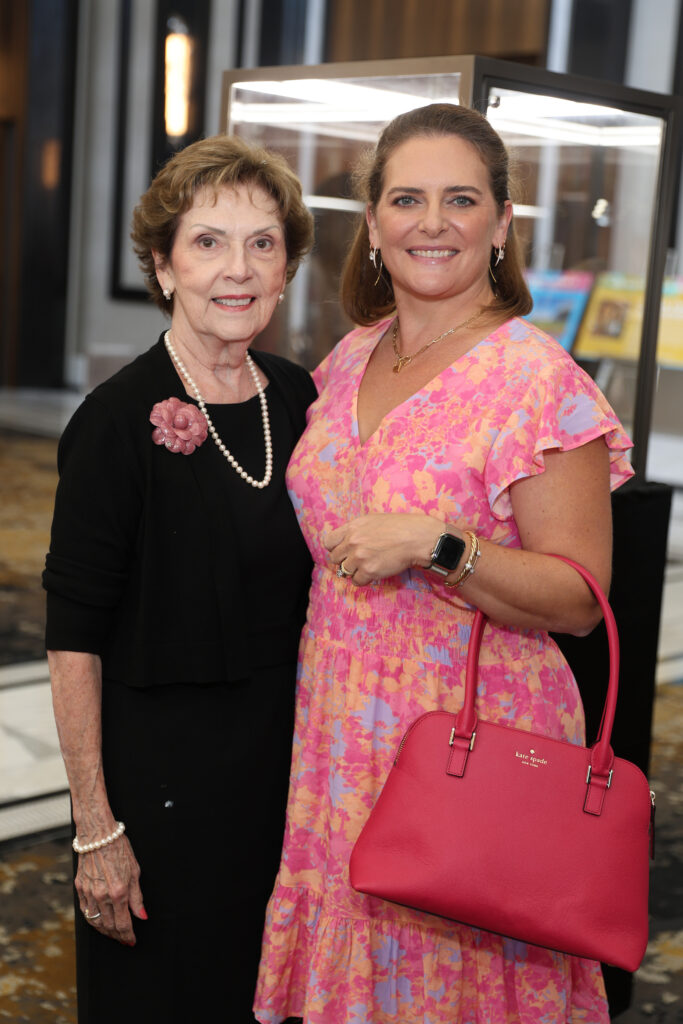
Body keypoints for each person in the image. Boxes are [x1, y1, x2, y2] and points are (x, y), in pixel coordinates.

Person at [254, 103, 634, 1024]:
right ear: (374, 224)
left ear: (501, 224)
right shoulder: (348, 358)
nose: (431, 222)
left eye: (459, 200)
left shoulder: (537, 383)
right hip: (340, 727)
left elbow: (580, 601)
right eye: (406, 200)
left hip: (473, 730)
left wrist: (441, 545)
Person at [43, 135, 315, 1023]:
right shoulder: (118, 419)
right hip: (161, 791)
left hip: (284, 777)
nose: (236, 270)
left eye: (262, 243)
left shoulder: (300, 398)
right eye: (207, 243)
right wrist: (95, 828)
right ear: (162, 267)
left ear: (285, 268)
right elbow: (73, 634)